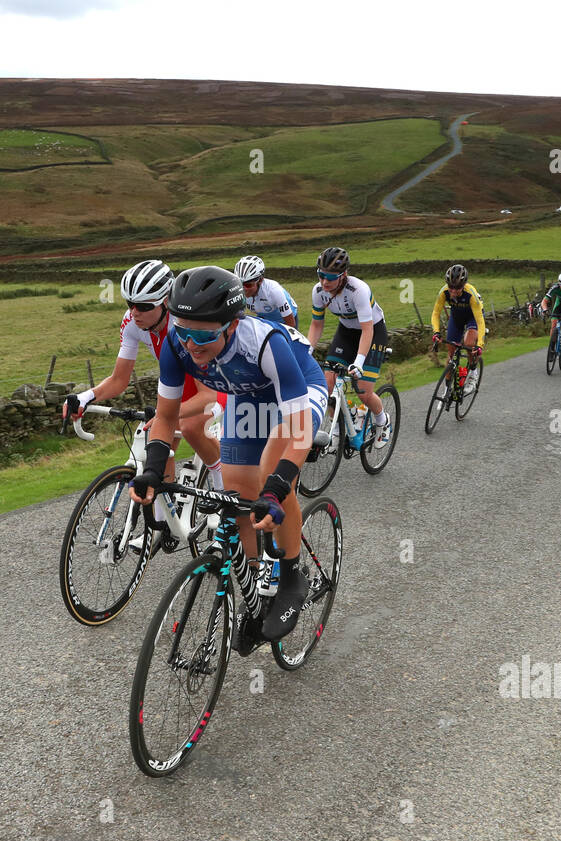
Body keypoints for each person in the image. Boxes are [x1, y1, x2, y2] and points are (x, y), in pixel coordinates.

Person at [129, 265, 328, 645]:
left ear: (233, 325)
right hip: (245, 394)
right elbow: (165, 417)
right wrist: (154, 469)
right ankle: (254, 591)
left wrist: (276, 487)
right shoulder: (176, 343)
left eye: (203, 335)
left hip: (297, 389)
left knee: (271, 474)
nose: (190, 345)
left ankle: (290, 576)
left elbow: (298, 433)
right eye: (183, 332)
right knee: (238, 496)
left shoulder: (266, 342)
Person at [63, 259, 223, 493]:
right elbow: (119, 380)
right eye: (130, 304)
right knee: (157, 450)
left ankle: (223, 488)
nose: (134, 312)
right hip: (177, 385)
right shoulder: (131, 322)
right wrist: (86, 397)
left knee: (189, 427)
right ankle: (164, 526)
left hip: (214, 386)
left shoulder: (184, 327)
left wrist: (165, 416)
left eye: (144, 306)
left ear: (166, 303)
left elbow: (208, 395)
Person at [304, 246, 392, 450]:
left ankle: (382, 420)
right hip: (346, 332)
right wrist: (305, 351)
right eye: (321, 275)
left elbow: (367, 330)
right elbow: (316, 324)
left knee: (362, 390)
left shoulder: (358, 290)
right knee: (326, 386)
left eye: (330, 277)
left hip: (372, 331)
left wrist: (359, 363)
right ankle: (338, 428)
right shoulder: (318, 292)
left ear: (343, 275)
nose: (325, 281)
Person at [430, 264, 486, 390]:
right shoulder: (444, 292)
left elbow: (480, 322)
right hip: (457, 318)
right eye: (451, 287)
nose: (454, 291)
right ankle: (447, 388)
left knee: (469, 342)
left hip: (473, 317)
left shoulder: (471, 294)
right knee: (450, 354)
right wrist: (436, 332)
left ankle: (473, 372)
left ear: (464, 285)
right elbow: (435, 313)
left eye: (458, 288)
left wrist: (480, 345)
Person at [234, 254, 298, 329]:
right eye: (240, 284)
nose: (244, 289)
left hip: (285, 320)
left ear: (260, 280)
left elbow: (291, 325)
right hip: (265, 318)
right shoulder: (237, 290)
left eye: (248, 285)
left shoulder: (274, 291)